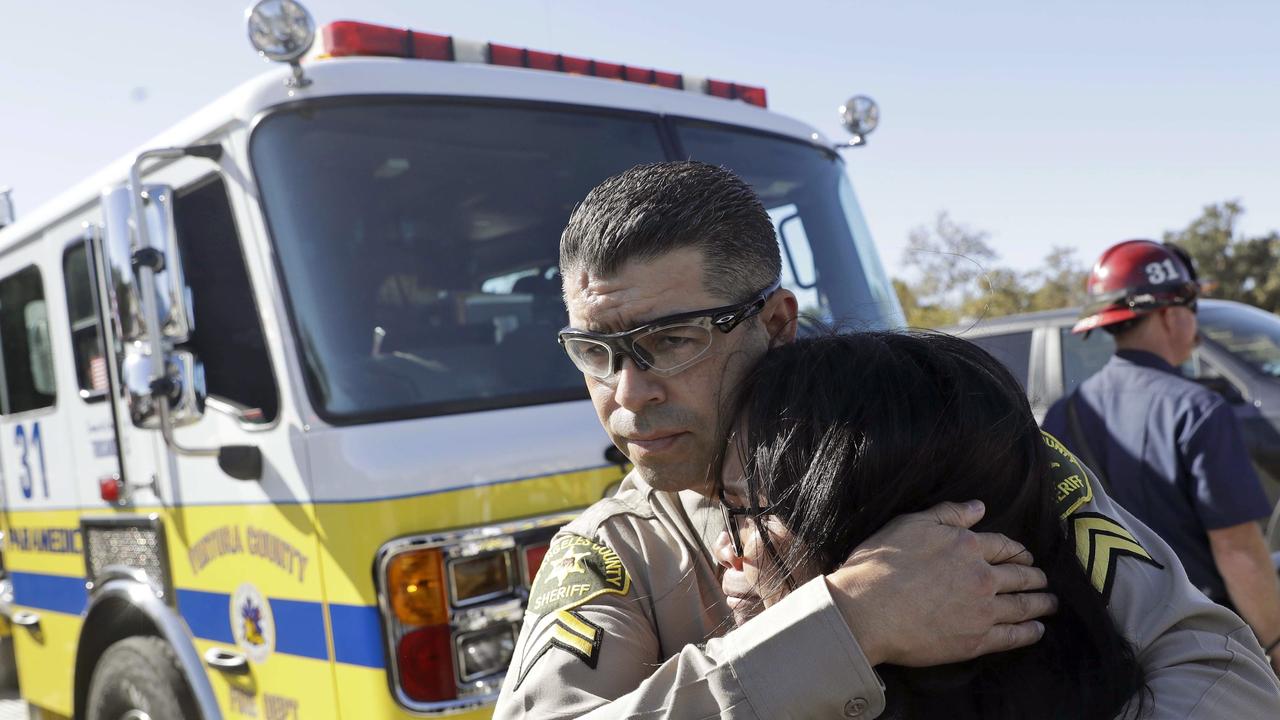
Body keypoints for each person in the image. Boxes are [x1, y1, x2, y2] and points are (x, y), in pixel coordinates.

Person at [494, 163, 1280, 719]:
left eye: (670, 342)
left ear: (775, 324)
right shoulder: (612, 551)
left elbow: (1220, 669)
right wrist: (845, 624)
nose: (627, 395)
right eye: (595, 352)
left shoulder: (963, 446)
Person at [1043, 238, 1280, 675]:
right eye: (1193, 310)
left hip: (1107, 651)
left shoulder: (1063, 414)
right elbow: (1238, 551)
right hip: (1202, 648)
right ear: (1172, 315)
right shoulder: (1199, 409)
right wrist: (1275, 643)